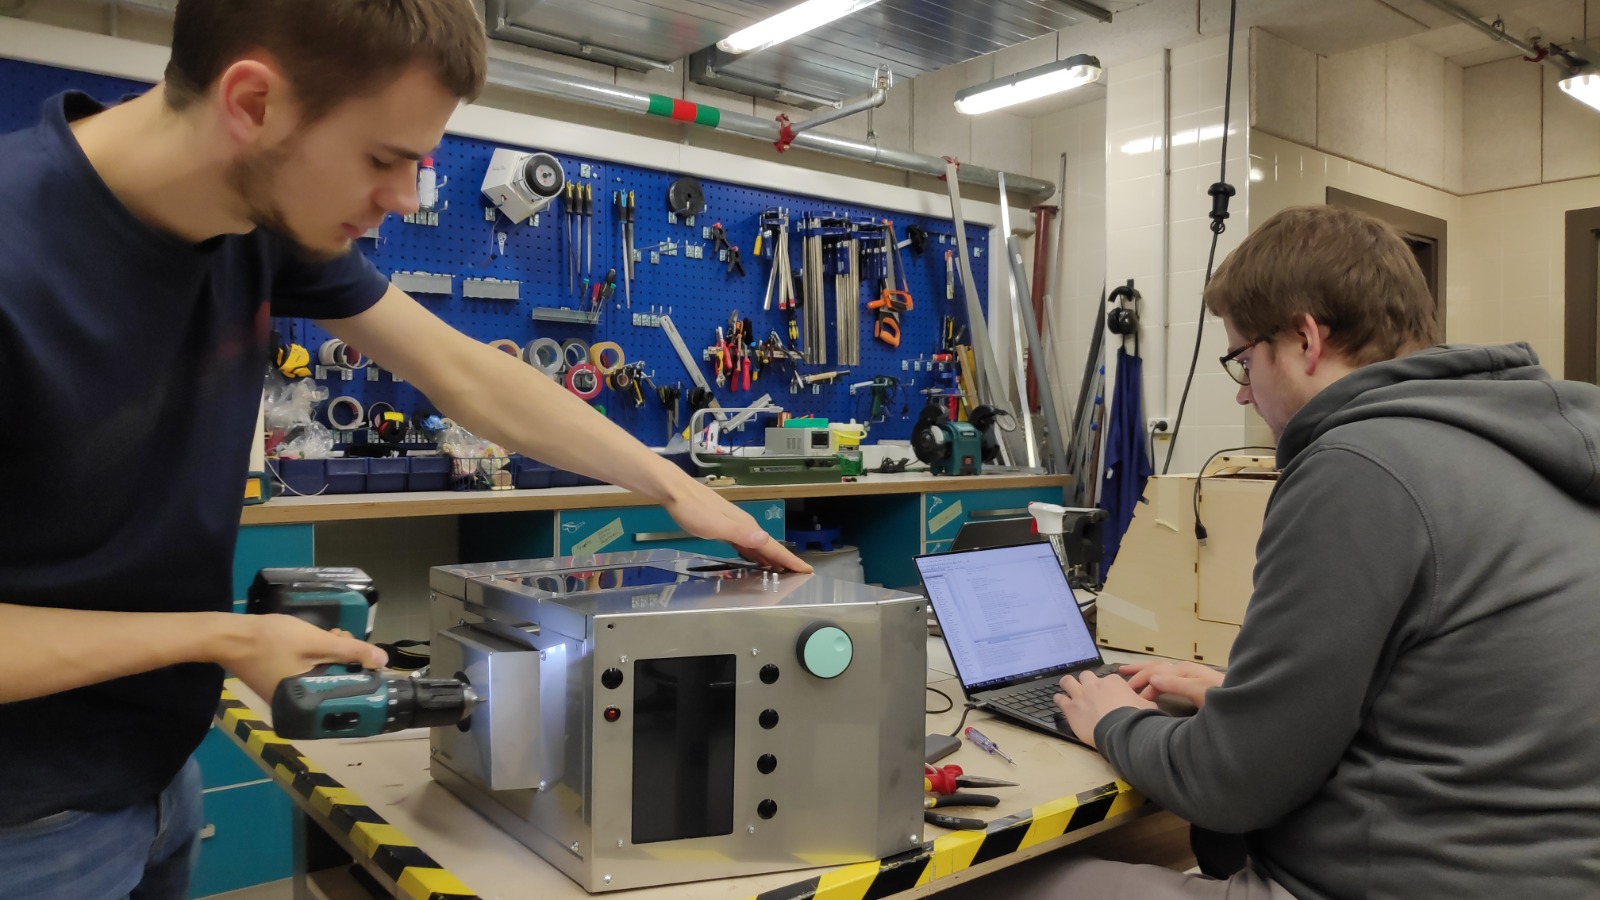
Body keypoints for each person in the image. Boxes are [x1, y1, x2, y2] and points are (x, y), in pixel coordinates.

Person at [0, 2, 807, 896]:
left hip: (152, 772)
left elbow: (463, 372)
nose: (408, 198)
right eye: (384, 160)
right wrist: (225, 636)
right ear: (253, 103)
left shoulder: (254, 220)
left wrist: (674, 486)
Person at [956, 204, 1600, 899]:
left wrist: (1113, 719)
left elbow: (1229, 784)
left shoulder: (1359, 467)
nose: (1242, 392)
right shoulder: (1532, 446)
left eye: (1242, 359)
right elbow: (1450, 694)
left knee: (986, 884)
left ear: (1304, 339)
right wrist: (1246, 701)